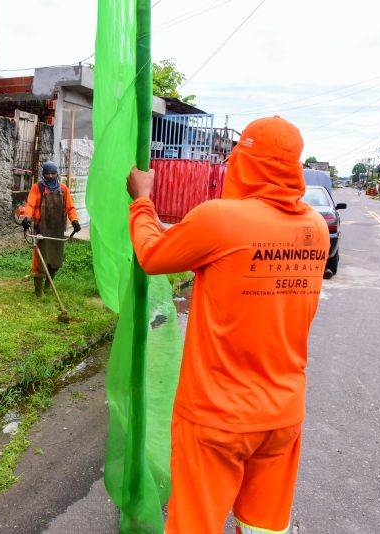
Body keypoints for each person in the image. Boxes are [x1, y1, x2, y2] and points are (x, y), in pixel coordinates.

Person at [126, 116, 329, 534]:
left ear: (244, 164)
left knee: (194, 525)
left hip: (216, 418)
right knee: (263, 528)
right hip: (282, 416)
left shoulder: (219, 219)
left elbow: (152, 254)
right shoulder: (315, 230)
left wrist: (142, 200)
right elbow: (230, 249)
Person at [22, 161, 81, 297]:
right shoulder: (38, 188)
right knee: (40, 261)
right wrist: (27, 218)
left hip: (57, 230)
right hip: (42, 229)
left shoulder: (63, 189)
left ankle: (48, 287)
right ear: (43, 174)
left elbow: (70, 208)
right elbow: (30, 205)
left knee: (55, 259)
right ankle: (38, 293)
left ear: (57, 174)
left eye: (53, 173)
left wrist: (75, 220)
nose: (50, 176)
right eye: (47, 174)